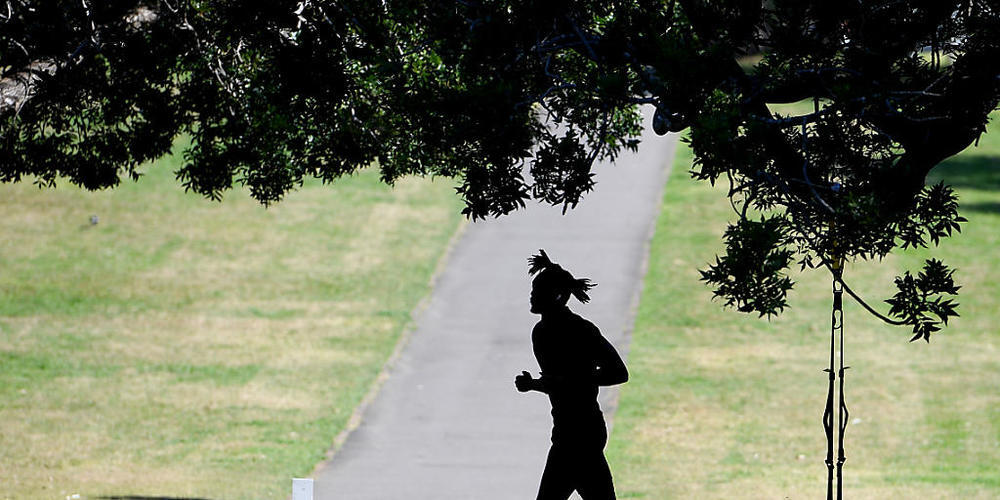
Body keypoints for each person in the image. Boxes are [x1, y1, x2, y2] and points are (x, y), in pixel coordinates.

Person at [515, 249, 629, 500]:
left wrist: (576, 380)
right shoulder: (540, 333)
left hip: (582, 433)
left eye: (538, 292)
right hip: (565, 429)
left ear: (556, 296)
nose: (532, 296)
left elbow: (619, 373)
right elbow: (557, 382)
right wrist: (533, 384)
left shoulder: (582, 331)